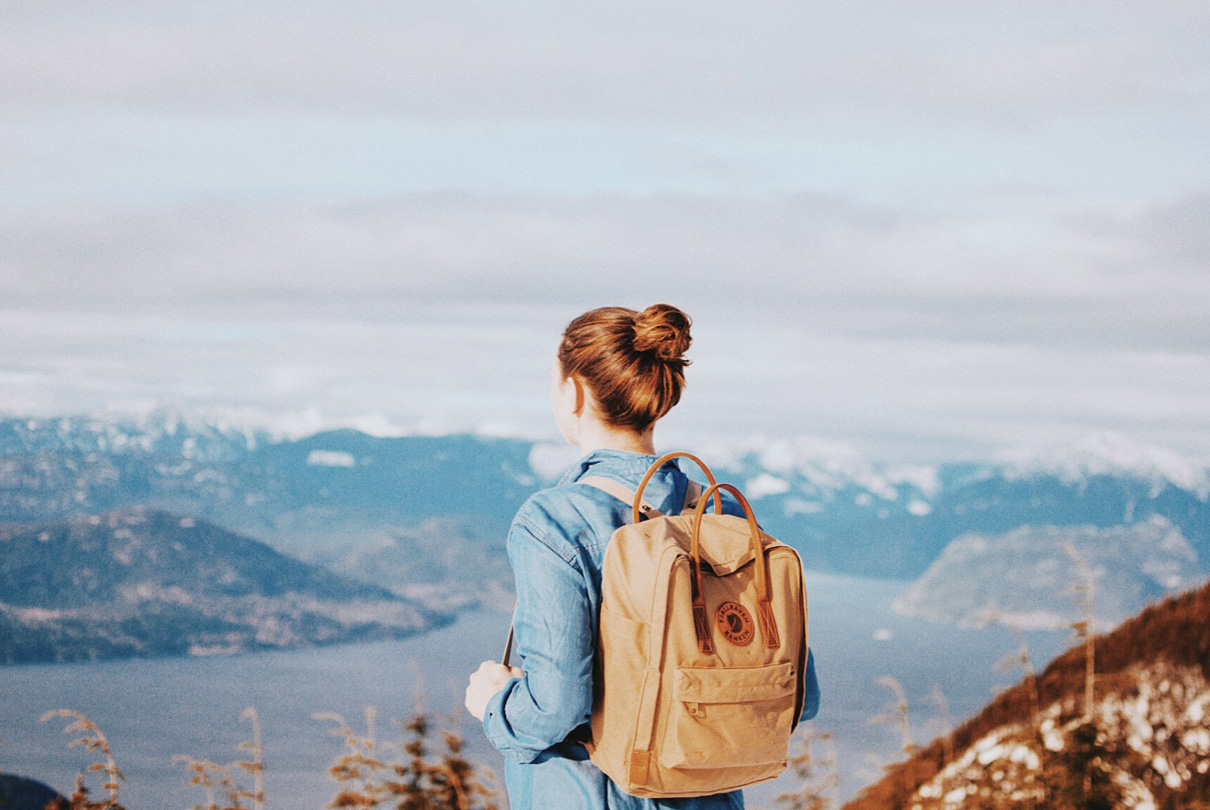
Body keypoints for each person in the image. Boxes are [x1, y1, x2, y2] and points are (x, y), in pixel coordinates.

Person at [464, 303, 820, 809]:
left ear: (574, 392)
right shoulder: (721, 513)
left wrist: (495, 703)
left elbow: (556, 707)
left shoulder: (554, 521)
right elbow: (802, 695)